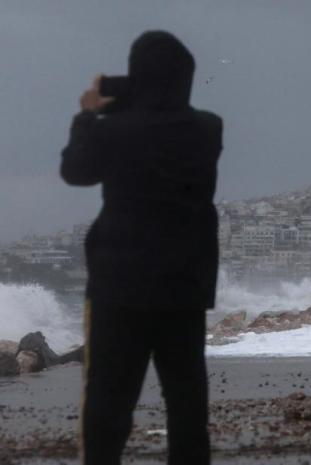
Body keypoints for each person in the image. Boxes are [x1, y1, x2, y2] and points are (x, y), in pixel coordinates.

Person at [60, 31, 222, 465]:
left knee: (109, 401)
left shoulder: (113, 131)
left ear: (138, 77)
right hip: (185, 289)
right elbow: (164, 110)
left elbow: (75, 171)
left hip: (119, 288)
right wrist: (140, 95)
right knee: (187, 403)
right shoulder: (208, 130)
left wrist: (88, 114)